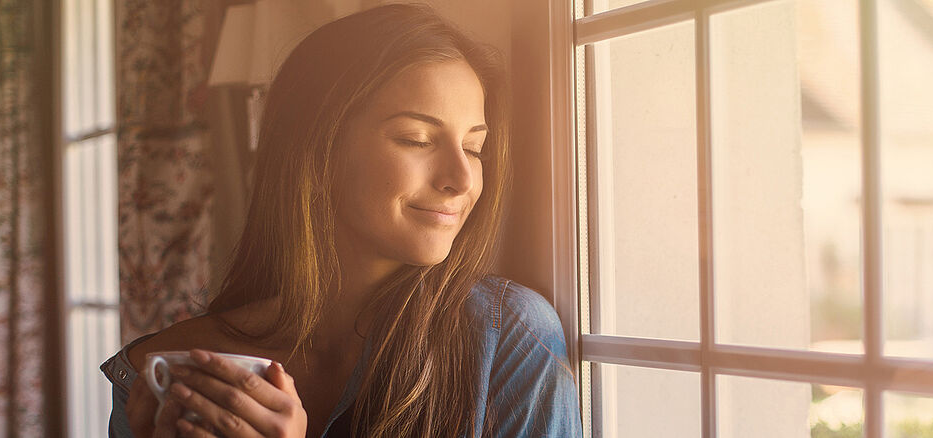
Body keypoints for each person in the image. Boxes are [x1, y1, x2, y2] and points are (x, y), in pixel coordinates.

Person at [99, 4, 581, 437]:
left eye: (474, 147)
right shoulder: (164, 373)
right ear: (317, 148)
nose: (462, 178)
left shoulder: (506, 334)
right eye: (416, 139)